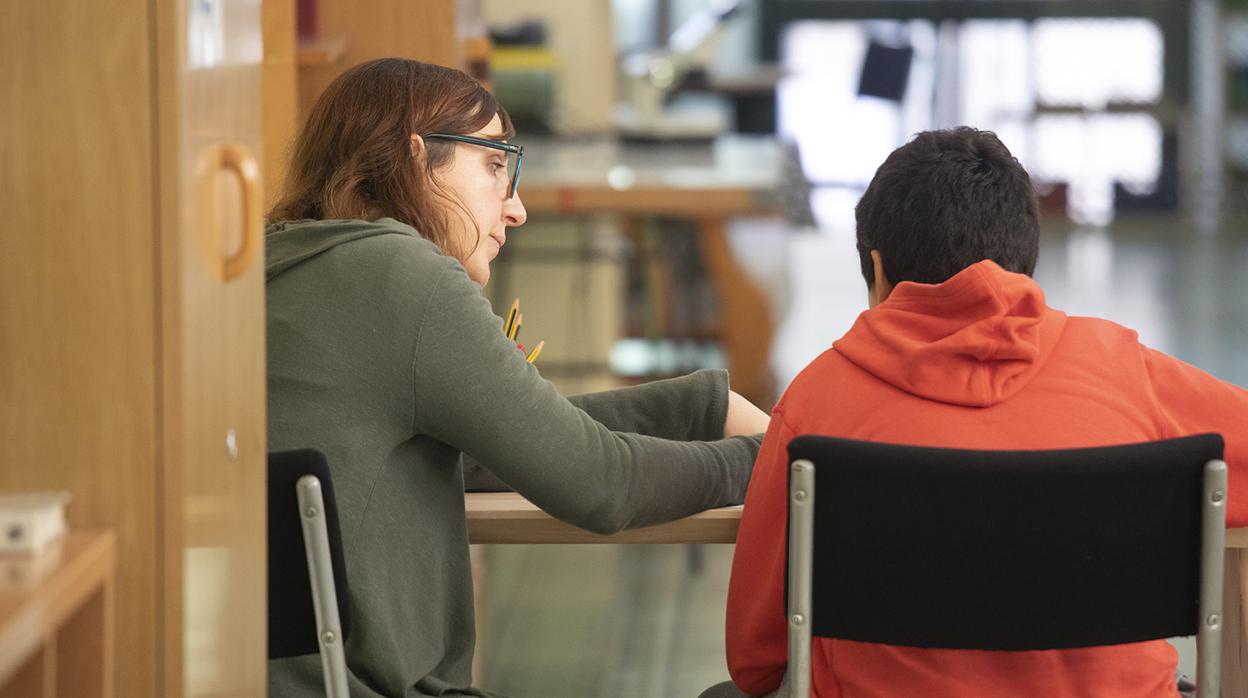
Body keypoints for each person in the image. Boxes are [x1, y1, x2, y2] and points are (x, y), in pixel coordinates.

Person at [264, 57, 770, 697]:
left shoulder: (281, 269)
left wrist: (701, 405)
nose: (516, 209)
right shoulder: (403, 277)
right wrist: (772, 460)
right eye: (495, 166)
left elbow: (485, 447)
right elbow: (601, 483)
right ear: (416, 159)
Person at [712, 127, 1248, 698]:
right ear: (1026, 264)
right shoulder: (1127, 370)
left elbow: (756, 658)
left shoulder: (815, 401)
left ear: (877, 268)